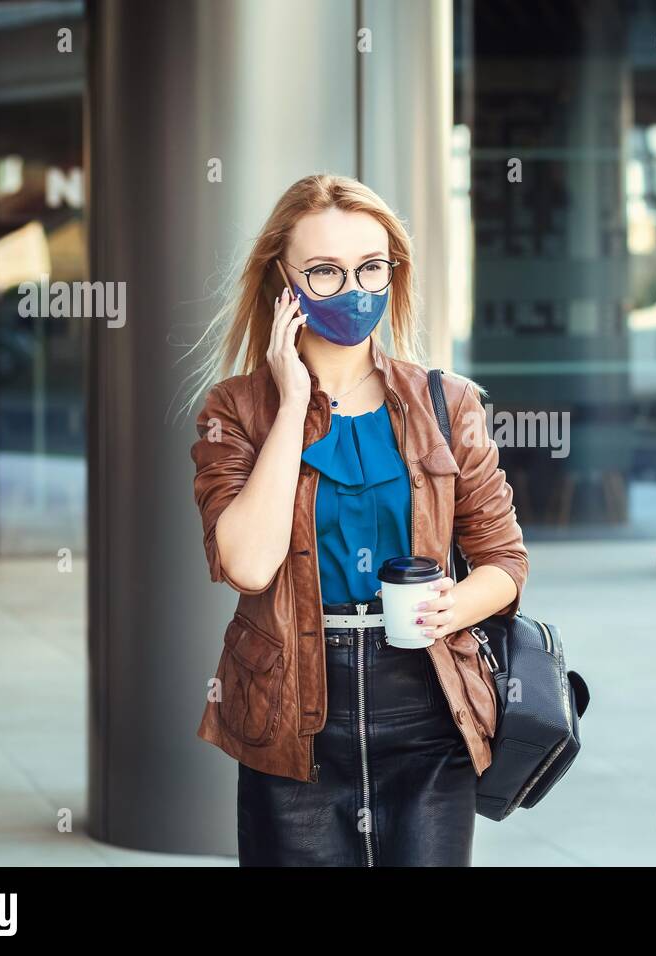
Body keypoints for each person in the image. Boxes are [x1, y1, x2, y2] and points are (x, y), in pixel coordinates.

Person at [188, 174, 528, 866]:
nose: (355, 289)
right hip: (291, 726)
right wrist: (290, 406)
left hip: (429, 716)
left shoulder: (447, 403)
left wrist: (452, 603)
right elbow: (248, 565)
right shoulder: (235, 411)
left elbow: (506, 563)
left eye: (372, 268)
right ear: (282, 282)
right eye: (325, 272)